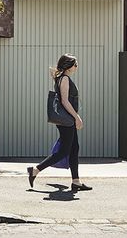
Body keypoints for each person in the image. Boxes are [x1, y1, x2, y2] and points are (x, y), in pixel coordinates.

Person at [28, 54, 91, 191]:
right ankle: (35, 170)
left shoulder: (62, 78)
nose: (77, 66)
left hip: (67, 119)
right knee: (64, 151)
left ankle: (76, 181)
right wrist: (76, 117)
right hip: (66, 119)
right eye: (75, 64)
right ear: (68, 66)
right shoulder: (65, 79)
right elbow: (64, 101)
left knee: (74, 148)